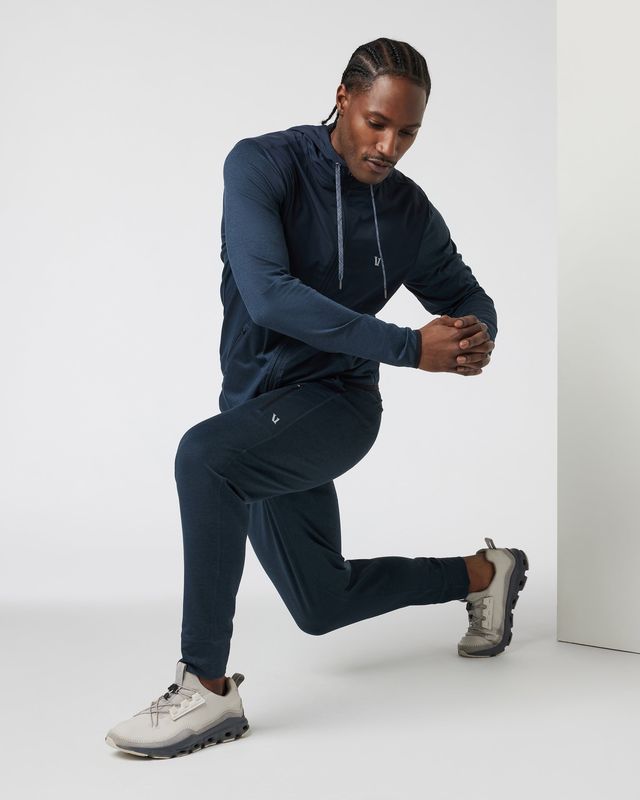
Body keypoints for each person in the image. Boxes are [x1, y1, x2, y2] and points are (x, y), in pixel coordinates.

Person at [105, 36, 529, 759]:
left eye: (408, 132)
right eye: (376, 123)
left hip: (337, 406)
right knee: (321, 603)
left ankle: (206, 690)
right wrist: (409, 347)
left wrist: (473, 336)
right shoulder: (263, 165)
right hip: (257, 409)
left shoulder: (407, 211)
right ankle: (485, 574)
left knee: (204, 458)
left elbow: (466, 294)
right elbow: (269, 296)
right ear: (343, 99)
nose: (389, 147)